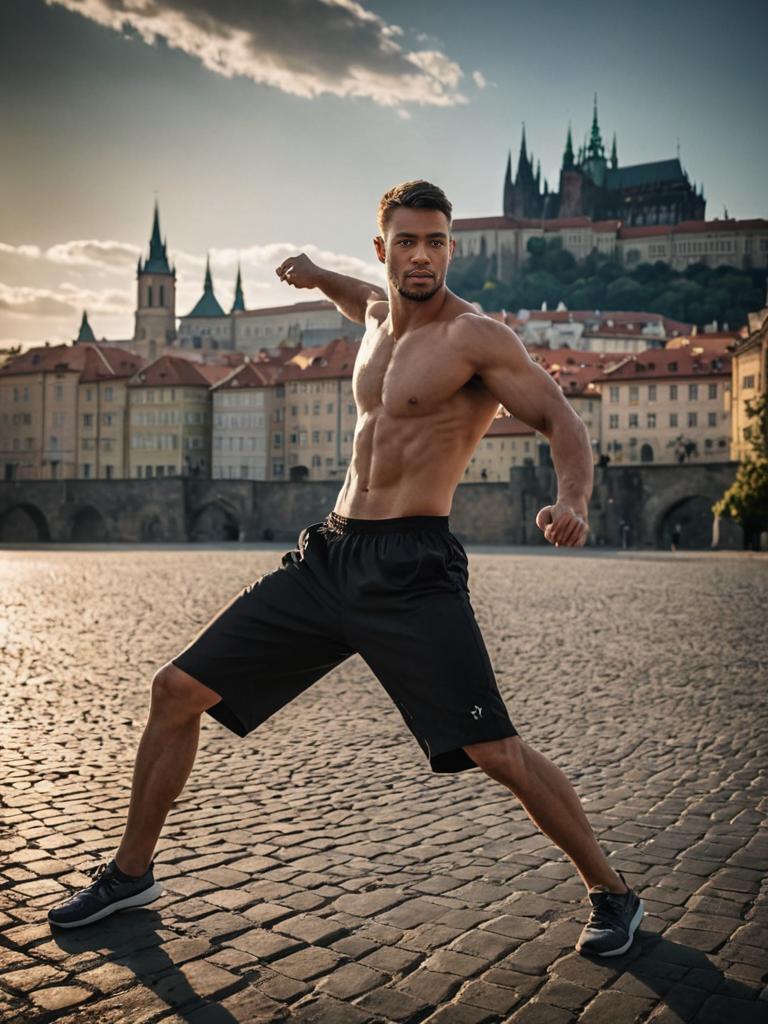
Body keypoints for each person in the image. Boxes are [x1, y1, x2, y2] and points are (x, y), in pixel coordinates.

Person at [48, 180, 644, 958]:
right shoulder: (371, 317)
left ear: (452, 248)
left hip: (412, 569)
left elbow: (560, 417)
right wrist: (309, 272)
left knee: (495, 750)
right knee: (175, 691)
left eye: (435, 241)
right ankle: (131, 876)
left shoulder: (477, 338)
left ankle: (612, 891)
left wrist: (573, 499)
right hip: (328, 556)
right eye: (406, 241)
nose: (421, 255)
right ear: (383, 248)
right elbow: (355, 294)